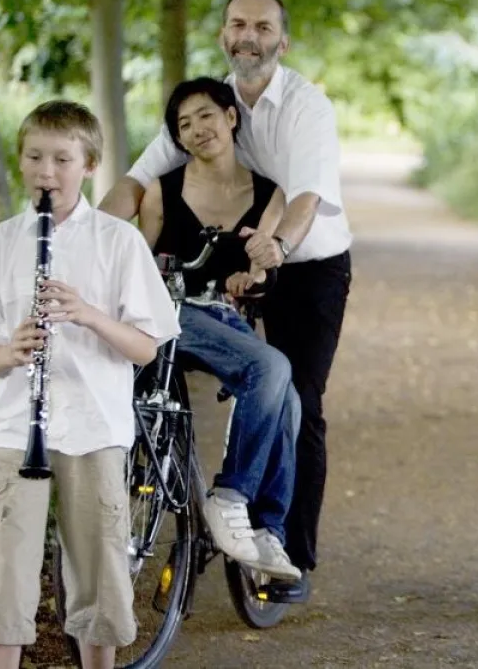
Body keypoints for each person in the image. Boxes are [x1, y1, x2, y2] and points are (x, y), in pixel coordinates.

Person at [100, 0, 351, 602]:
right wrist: (93, 238)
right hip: (230, 258)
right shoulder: (206, 104)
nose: (249, 36)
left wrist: (276, 250)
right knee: (258, 372)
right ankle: (216, 512)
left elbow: (305, 197)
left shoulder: (306, 107)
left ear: (282, 42)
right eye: (238, 24)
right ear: (223, 36)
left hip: (307, 257)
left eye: (263, 27)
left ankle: (285, 547)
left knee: (300, 396)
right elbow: (138, 180)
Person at [0, 101, 179, 669]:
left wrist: (88, 314)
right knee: (2, 575)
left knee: (99, 574)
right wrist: (10, 350)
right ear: (21, 162)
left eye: (62, 159)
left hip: (95, 428)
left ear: (90, 164)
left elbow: (146, 347)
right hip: (15, 429)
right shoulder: (0, 243)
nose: (46, 171)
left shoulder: (119, 243)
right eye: (34, 157)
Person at [137, 76, 302, 583]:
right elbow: (133, 263)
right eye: (183, 124)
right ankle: (230, 496)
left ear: (231, 117)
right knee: (271, 364)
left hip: (222, 318)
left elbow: (263, 266)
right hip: (168, 312)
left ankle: (266, 531)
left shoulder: (269, 194)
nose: (196, 129)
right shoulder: (160, 191)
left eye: (205, 115)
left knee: (287, 396)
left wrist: (251, 278)